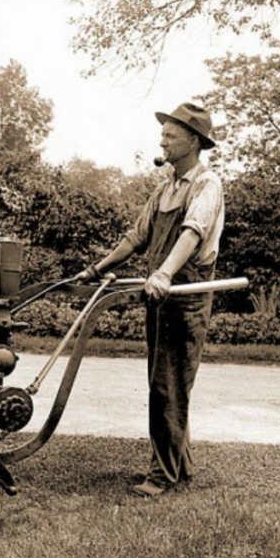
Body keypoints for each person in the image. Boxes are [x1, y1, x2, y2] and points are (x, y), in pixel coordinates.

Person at [75, 102, 224, 497]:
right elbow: (136, 238)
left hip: (185, 296)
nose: (163, 141)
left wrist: (163, 273)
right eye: (163, 135)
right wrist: (95, 269)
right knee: (166, 382)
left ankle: (161, 476)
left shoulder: (206, 184)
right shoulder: (165, 187)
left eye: (170, 135)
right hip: (160, 295)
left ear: (193, 141)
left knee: (167, 386)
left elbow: (192, 233)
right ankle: (181, 465)